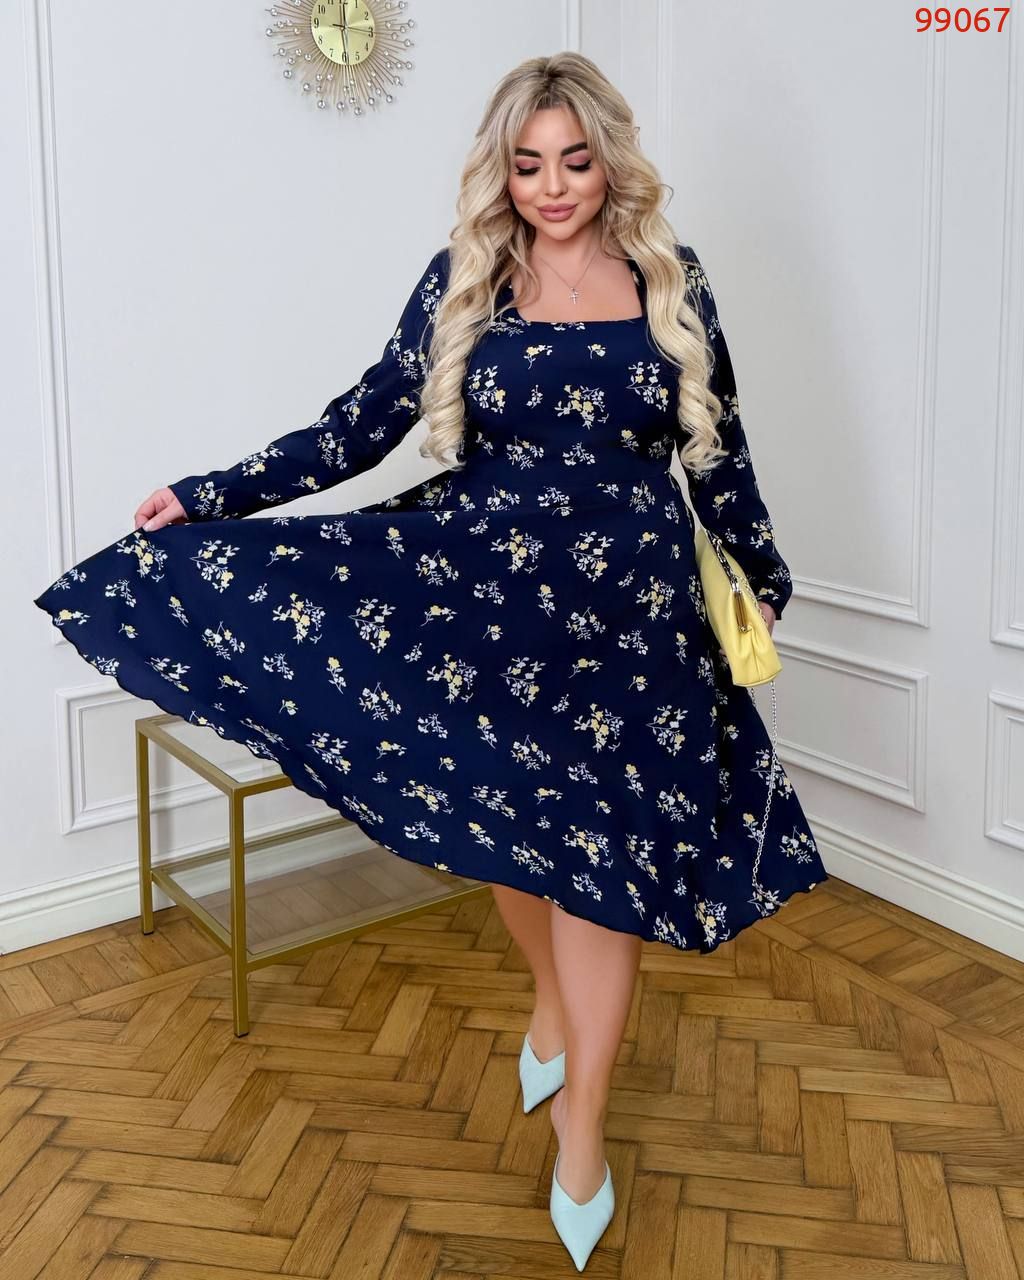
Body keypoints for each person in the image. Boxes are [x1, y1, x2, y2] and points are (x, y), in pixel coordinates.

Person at [34, 51, 827, 1270]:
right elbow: (360, 425)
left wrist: (758, 575)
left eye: (574, 161)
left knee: (602, 872)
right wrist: (212, 493)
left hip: (633, 619)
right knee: (503, 826)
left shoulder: (670, 279)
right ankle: (549, 1000)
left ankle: (581, 1126)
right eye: (528, 164)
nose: (552, 187)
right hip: (489, 603)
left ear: (608, 161)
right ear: (499, 171)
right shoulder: (466, 279)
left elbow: (719, 451)